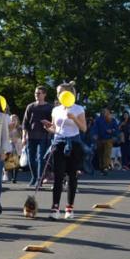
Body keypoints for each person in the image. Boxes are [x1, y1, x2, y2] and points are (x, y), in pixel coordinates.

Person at [42, 83, 87, 220]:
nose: (58, 94)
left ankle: (69, 208)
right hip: (59, 143)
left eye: (60, 92)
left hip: (73, 143)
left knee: (72, 176)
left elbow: (84, 129)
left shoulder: (78, 108)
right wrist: (48, 127)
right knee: (58, 176)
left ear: (68, 93)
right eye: (57, 92)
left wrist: (74, 118)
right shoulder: (56, 110)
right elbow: (56, 128)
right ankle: (55, 208)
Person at [22, 86, 54, 188]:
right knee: (30, 159)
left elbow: (53, 123)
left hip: (44, 136)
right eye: (36, 93)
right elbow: (25, 123)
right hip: (31, 136)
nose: (37, 95)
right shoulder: (30, 107)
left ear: (44, 94)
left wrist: (48, 125)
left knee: (41, 158)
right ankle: (34, 177)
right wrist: (24, 136)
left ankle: (39, 179)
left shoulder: (49, 107)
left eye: (39, 93)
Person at [94, 108, 120, 174]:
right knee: (101, 154)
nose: (104, 113)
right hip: (100, 139)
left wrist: (112, 131)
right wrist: (95, 135)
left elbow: (116, 129)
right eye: (103, 111)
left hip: (108, 139)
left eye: (106, 112)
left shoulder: (112, 120)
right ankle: (101, 167)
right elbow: (95, 128)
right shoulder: (98, 120)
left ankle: (106, 167)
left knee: (107, 153)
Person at [5, 114, 23, 183]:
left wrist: (18, 139)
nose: (13, 121)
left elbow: (22, 136)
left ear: (17, 120)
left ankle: (15, 178)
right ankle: (12, 176)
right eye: (12, 119)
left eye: (15, 119)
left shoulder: (19, 128)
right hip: (10, 145)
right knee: (10, 162)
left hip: (18, 146)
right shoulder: (8, 128)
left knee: (16, 162)